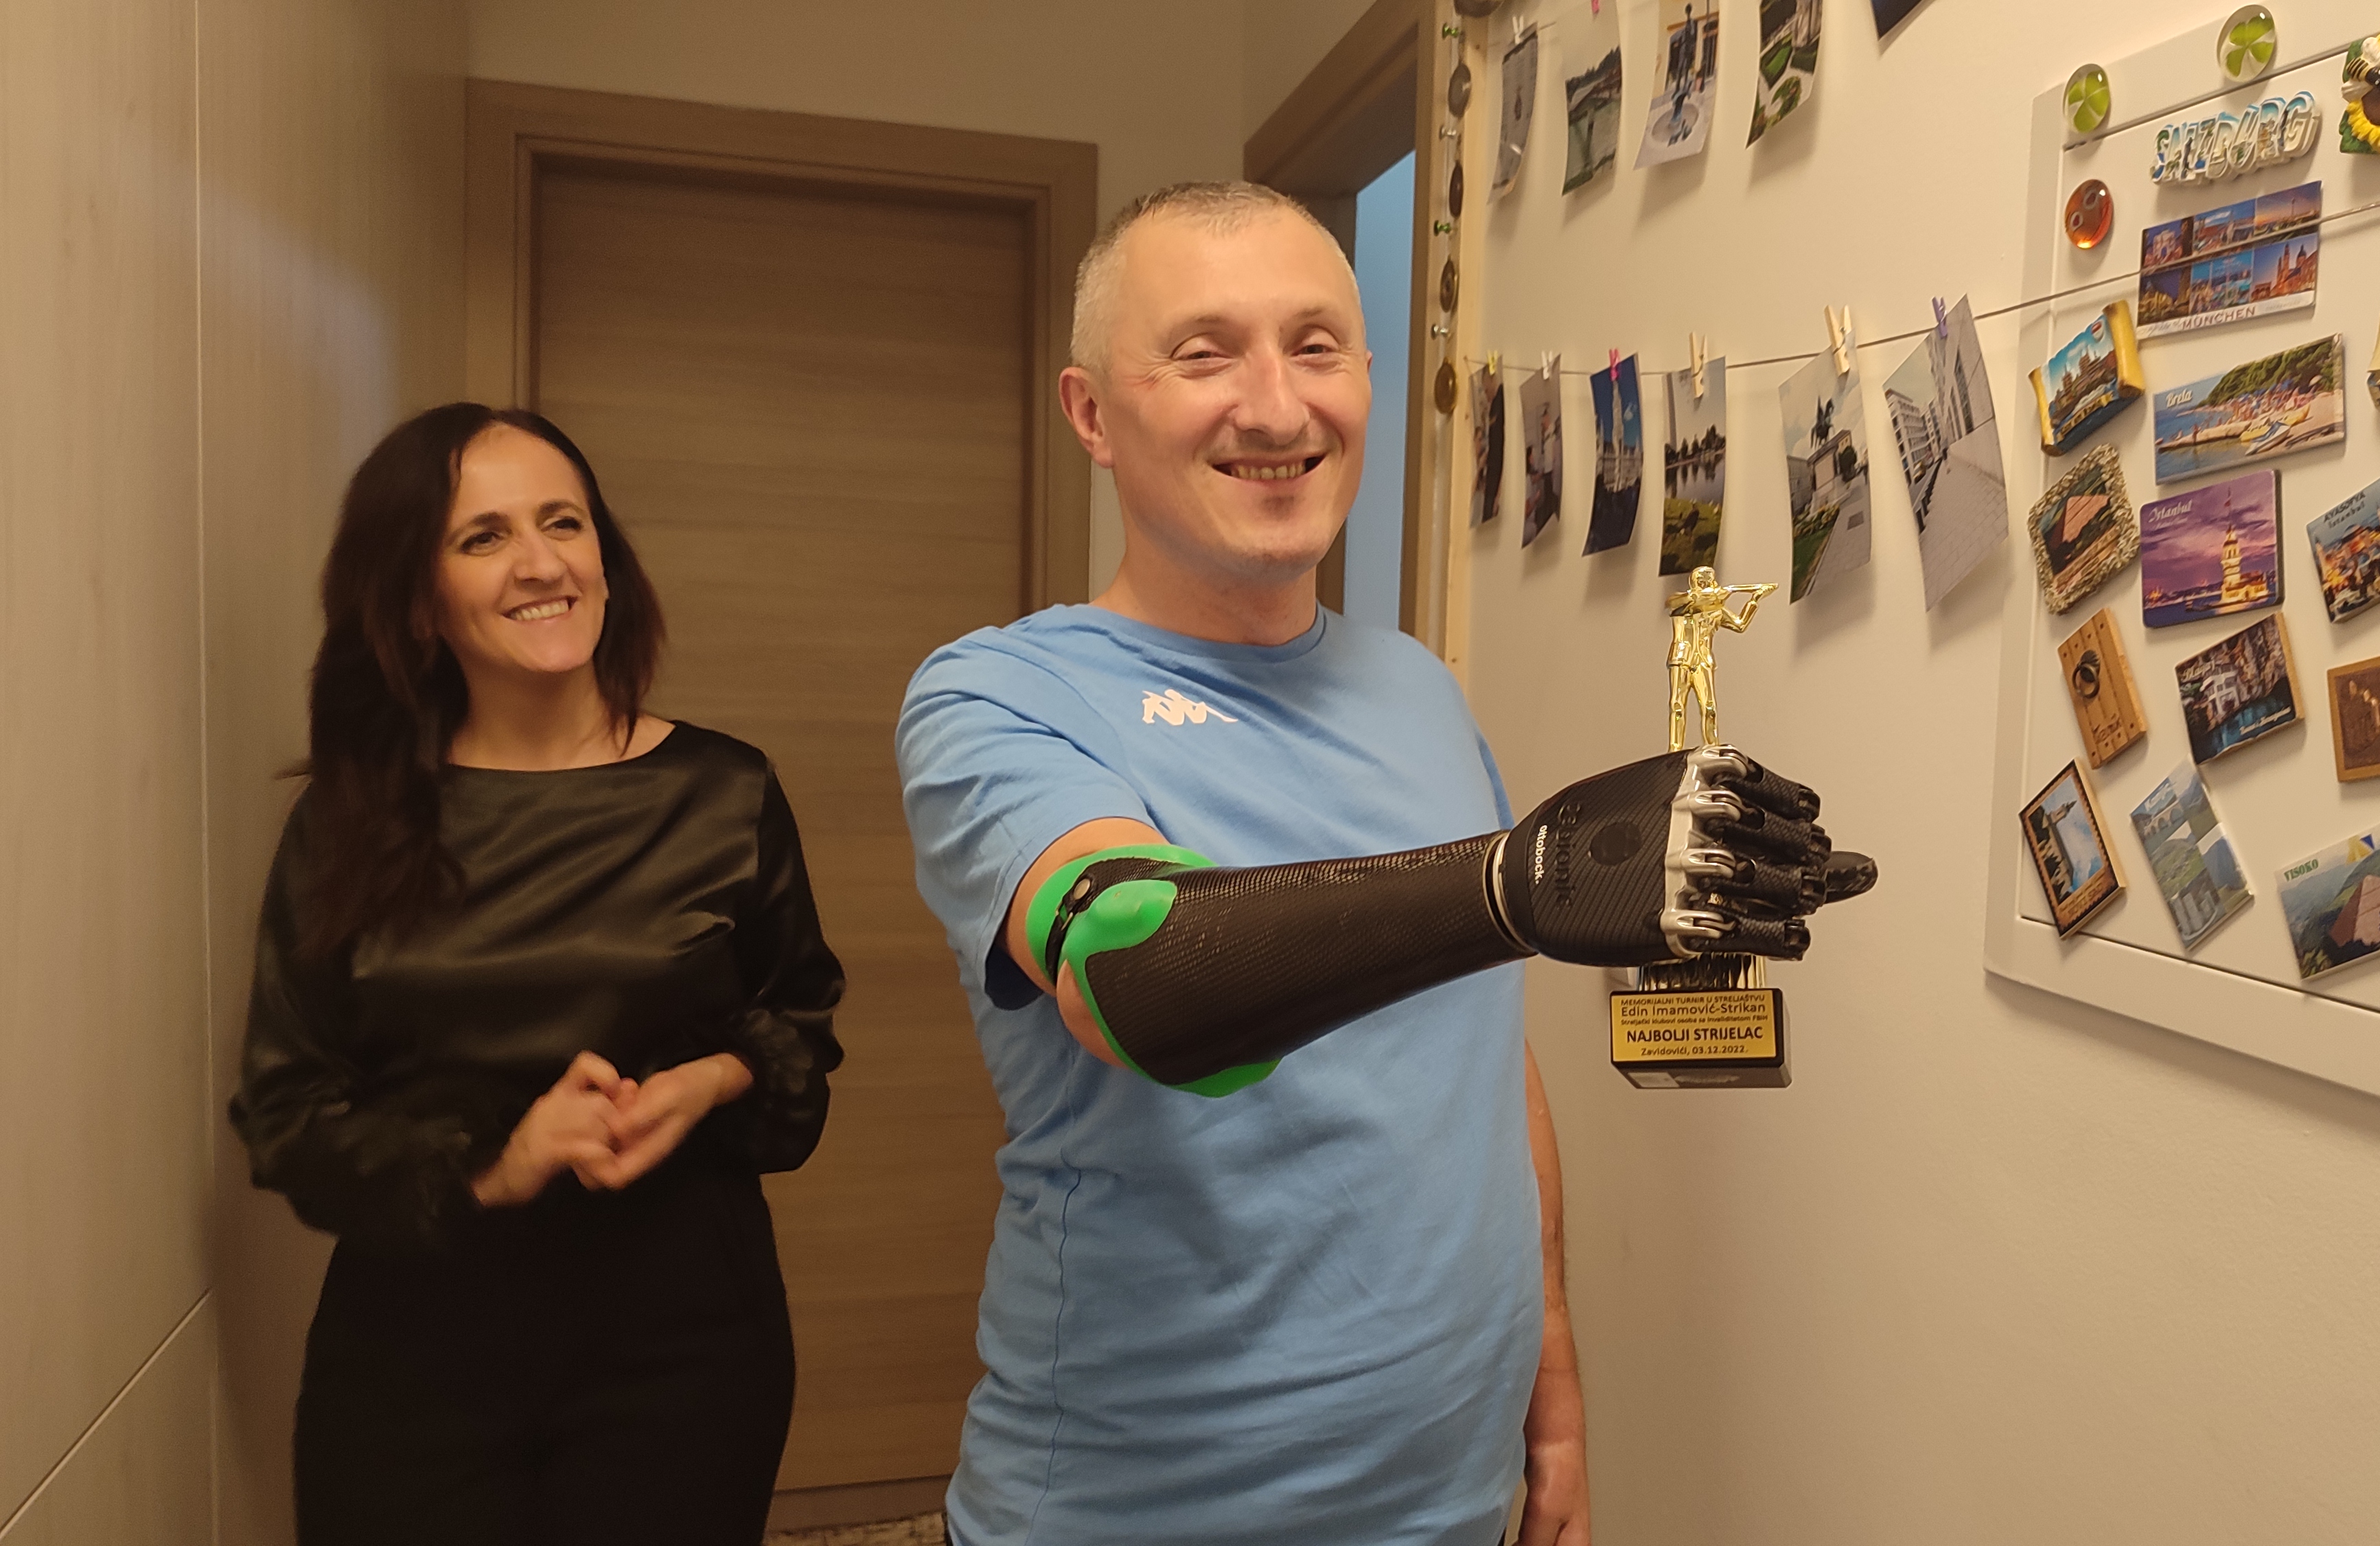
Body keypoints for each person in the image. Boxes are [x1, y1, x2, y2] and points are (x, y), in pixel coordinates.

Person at [897, 182, 1869, 1546]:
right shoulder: (1000, 696)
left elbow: (1481, 1061)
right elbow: (1137, 974)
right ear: (1091, 415)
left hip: (1444, 1502)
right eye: (1202, 353)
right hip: (1137, 1511)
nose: (1276, 406)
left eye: (1313, 346)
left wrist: (1553, 1395)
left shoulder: (1416, 686)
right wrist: (1508, 885)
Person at [231, 404, 846, 1546]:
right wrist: (497, 1165)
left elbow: (799, 1034)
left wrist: (709, 1080)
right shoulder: (349, 821)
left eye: (563, 522)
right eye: (484, 537)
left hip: (687, 1349)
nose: (540, 562)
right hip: (413, 1359)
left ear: (606, 559)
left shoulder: (726, 792)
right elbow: (287, 1111)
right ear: (418, 603)